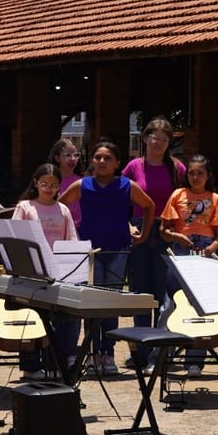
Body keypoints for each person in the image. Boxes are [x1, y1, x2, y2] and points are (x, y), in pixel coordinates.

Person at [60, 139, 155, 377]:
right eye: (98, 157)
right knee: (90, 304)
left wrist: (142, 235)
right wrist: (68, 235)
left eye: (107, 158)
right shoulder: (83, 185)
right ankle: (91, 353)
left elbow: (149, 205)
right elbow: (60, 208)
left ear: (117, 163)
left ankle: (108, 353)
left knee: (110, 304)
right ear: (91, 160)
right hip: (89, 251)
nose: (102, 162)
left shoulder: (127, 185)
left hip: (117, 250)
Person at [122, 116, 186, 350]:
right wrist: (127, 224)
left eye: (163, 139)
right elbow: (119, 199)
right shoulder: (133, 167)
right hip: (140, 228)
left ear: (169, 143)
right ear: (145, 139)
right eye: (153, 138)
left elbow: (185, 201)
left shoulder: (177, 168)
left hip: (166, 231)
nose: (157, 143)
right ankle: (139, 349)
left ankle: (159, 350)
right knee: (140, 291)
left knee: (164, 291)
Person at [162, 154, 218, 375]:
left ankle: (194, 360)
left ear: (208, 175)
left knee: (200, 307)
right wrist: (177, 237)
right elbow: (164, 231)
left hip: (205, 254)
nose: (195, 176)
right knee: (171, 306)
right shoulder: (177, 195)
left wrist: (211, 249)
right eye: (191, 172)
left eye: (200, 173)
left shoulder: (216, 199)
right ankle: (163, 356)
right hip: (180, 251)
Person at [12, 162, 80, 372]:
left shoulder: (63, 209)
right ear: (35, 183)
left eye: (54, 185)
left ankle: (55, 364)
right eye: (44, 184)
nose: (49, 189)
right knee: (32, 318)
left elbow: (71, 240)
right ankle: (31, 366)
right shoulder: (25, 206)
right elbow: (14, 235)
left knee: (57, 321)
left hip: (57, 272)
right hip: (31, 271)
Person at [48, 137, 84, 220]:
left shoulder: (81, 182)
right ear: (57, 158)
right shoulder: (48, 181)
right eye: (68, 155)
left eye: (76, 155)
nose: (73, 159)